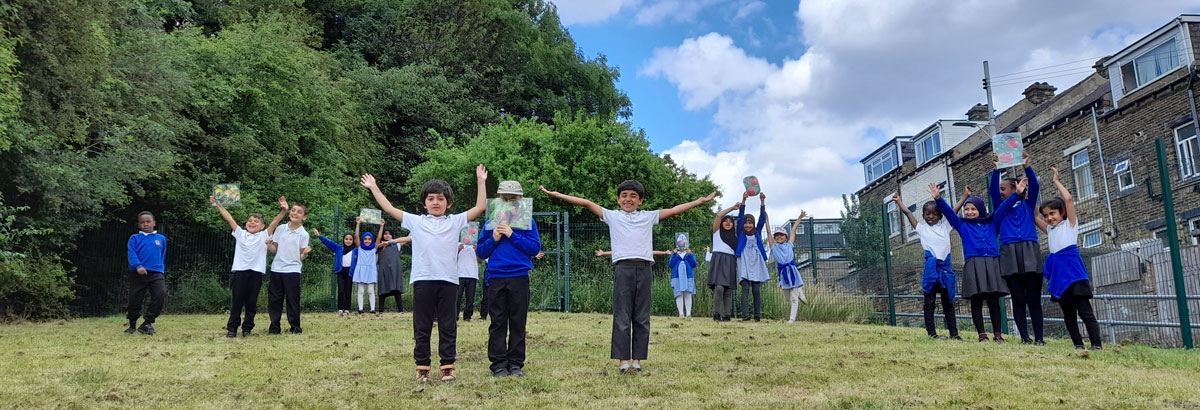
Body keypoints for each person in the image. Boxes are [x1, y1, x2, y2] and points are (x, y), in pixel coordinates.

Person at [542, 181, 715, 374]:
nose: (628, 199)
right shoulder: (612, 216)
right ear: (618, 199)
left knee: (641, 317)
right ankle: (623, 361)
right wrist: (557, 195)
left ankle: (637, 361)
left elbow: (674, 210)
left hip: (644, 269)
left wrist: (700, 201)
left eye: (633, 196)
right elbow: (586, 203)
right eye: (624, 195)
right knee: (622, 316)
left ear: (640, 200)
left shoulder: (648, 217)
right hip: (623, 269)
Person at [360, 165, 488, 383]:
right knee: (422, 326)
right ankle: (423, 366)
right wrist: (374, 187)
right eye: (431, 199)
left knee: (448, 325)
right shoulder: (416, 221)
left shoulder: (455, 221)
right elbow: (390, 208)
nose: (435, 202)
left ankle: (448, 365)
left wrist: (481, 182)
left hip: (448, 281)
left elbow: (479, 207)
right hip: (422, 281)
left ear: (449, 203)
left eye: (440, 199)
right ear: (424, 203)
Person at [931, 184, 1015, 342]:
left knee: (993, 301)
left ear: (980, 209)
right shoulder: (962, 224)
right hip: (973, 264)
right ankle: (982, 335)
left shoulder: (992, 222)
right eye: (967, 209)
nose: (969, 212)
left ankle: (998, 335)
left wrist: (1017, 194)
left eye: (973, 209)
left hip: (992, 263)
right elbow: (949, 213)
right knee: (976, 301)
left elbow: (1004, 208)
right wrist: (938, 199)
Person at [476, 180, 542, 377]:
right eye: (504, 198)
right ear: (497, 199)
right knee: (497, 321)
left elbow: (534, 248)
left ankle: (515, 364)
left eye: (513, 199)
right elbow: (480, 251)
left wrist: (513, 234)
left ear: (521, 200)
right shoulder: (490, 223)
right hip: (496, 277)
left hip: (519, 277)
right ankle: (498, 364)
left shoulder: (528, 222)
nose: (509, 202)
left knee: (517, 321)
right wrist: (494, 238)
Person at [1037, 168, 1103, 350]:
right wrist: (1027, 192)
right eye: (1047, 216)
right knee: (1068, 314)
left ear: (1062, 213)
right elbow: (1035, 215)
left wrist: (1056, 181)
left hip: (1074, 275)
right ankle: (1078, 345)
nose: (1049, 218)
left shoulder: (1070, 225)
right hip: (1060, 276)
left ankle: (1096, 344)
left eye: (1053, 214)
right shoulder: (1050, 230)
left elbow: (1068, 199)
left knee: (1085, 311)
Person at [990, 152, 1045, 344]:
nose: (1001, 191)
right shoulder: (1001, 207)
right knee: (1018, 299)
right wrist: (996, 170)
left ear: (1015, 188)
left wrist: (1027, 165)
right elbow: (992, 192)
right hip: (1009, 252)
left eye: (1004, 188)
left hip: (1030, 250)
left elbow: (1035, 185)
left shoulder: (1028, 204)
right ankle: (1024, 337)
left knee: (1034, 299)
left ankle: (1039, 338)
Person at [211, 196, 281, 337]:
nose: (252, 222)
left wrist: (284, 211)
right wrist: (217, 204)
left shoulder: (264, 235)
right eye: (250, 221)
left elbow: (275, 222)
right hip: (240, 272)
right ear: (245, 224)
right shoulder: (240, 234)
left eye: (256, 221)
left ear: (262, 226)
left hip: (256, 273)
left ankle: (247, 328)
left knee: (251, 302)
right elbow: (229, 218)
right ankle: (232, 328)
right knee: (237, 301)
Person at [895, 192, 960, 340]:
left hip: (945, 270)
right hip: (931, 272)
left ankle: (954, 334)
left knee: (948, 303)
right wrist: (899, 202)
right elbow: (908, 213)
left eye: (934, 214)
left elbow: (954, 210)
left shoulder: (946, 227)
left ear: (940, 216)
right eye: (927, 214)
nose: (930, 217)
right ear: (923, 215)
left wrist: (965, 196)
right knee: (929, 303)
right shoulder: (921, 229)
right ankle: (932, 333)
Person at [266, 197, 312, 335]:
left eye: (299, 212)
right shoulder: (280, 229)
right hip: (276, 269)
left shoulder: (304, 234)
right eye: (293, 210)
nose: (295, 213)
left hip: (292, 271)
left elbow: (300, 257)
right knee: (274, 300)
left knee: (293, 300)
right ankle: (274, 327)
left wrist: (304, 254)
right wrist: (269, 245)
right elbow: (275, 249)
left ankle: (295, 327)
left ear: (304, 217)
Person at [124, 211, 168, 335]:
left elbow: (162, 254)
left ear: (154, 223)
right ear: (139, 225)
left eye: (148, 222)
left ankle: (147, 323)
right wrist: (138, 266)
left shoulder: (161, 239)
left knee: (160, 295)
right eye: (142, 222)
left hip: (157, 273)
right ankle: (132, 324)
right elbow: (131, 253)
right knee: (135, 298)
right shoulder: (134, 238)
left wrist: (161, 268)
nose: (145, 224)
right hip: (139, 273)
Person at [736, 192, 770, 322]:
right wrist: (743, 200)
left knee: (756, 290)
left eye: (750, 223)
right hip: (744, 261)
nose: (748, 225)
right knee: (745, 289)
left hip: (756, 261)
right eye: (746, 223)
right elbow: (740, 217)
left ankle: (757, 316)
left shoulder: (757, 232)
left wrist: (762, 203)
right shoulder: (740, 233)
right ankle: (745, 316)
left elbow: (762, 219)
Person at [771, 211, 809, 324]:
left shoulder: (789, 245)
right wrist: (766, 217)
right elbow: (768, 232)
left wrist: (800, 218)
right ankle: (799, 291)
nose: (779, 237)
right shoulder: (774, 247)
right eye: (777, 235)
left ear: (786, 237)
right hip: (783, 273)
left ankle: (792, 319)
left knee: (793, 298)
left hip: (792, 271)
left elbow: (793, 230)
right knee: (788, 297)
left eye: (781, 235)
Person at [709, 203, 741, 322]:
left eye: (730, 221)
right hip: (719, 260)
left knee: (728, 290)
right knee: (719, 288)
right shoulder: (716, 233)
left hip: (730, 261)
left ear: (733, 224)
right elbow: (718, 216)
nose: (728, 223)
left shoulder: (735, 237)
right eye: (725, 220)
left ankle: (727, 315)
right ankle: (716, 313)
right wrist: (732, 208)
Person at [315, 230, 358, 316]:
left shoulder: (356, 250)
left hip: (350, 272)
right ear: (343, 240)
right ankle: (340, 309)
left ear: (353, 241)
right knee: (341, 290)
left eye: (350, 239)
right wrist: (320, 236)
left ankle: (347, 309)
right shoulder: (339, 248)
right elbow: (329, 243)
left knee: (348, 291)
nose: (348, 241)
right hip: (341, 272)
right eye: (346, 239)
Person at [352, 218, 385, 314]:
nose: (367, 241)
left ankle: (372, 309)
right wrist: (358, 224)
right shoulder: (360, 247)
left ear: (372, 240)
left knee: (371, 291)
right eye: (365, 239)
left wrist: (382, 226)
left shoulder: (374, 248)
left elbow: (379, 238)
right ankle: (360, 309)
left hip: (371, 270)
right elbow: (356, 236)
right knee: (361, 290)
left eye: (369, 239)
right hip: (361, 269)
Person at [377, 229, 411, 312]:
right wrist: (381, 226)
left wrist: (414, 227)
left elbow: (407, 238)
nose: (387, 235)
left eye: (389, 234)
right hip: (384, 271)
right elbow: (378, 238)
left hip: (394, 271)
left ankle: (401, 310)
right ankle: (380, 311)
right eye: (385, 234)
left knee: (396, 291)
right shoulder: (379, 247)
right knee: (383, 291)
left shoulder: (397, 245)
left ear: (392, 236)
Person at [668, 248, 697, 318]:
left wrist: (690, 255)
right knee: (679, 294)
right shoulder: (675, 254)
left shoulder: (689, 254)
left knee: (688, 294)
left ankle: (688, 314)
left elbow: (694, 264)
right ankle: (681, 313)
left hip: (688, 276)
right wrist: (674, 254)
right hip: (677, 276)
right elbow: (671, 264)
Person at [456, 243, 481, 321]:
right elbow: (450, 258)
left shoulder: (476, 244)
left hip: (472, 274)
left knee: (470, 297)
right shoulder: (458, 243)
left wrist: (477, 251)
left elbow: (480, 261)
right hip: (459, 273)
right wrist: (458, 250)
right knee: (457, 297)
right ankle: (454, 315)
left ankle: (467, 316)